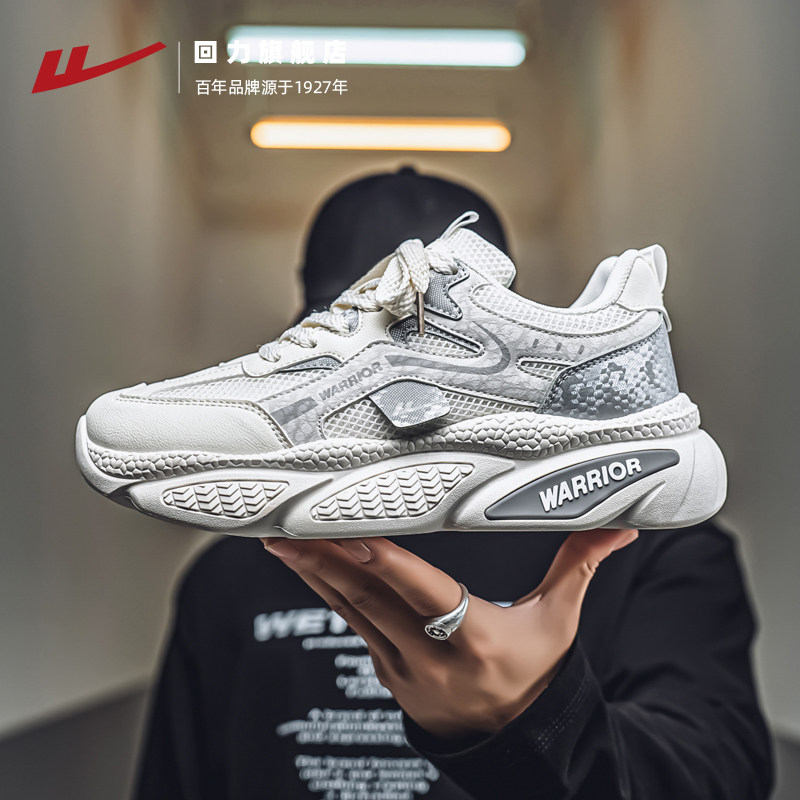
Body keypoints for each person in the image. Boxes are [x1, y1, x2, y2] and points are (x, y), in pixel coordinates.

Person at [134, 168, 773, 800]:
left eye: (405, 330)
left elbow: (721, 776)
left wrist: (539, 717)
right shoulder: (227, 574)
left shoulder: (646, 549)